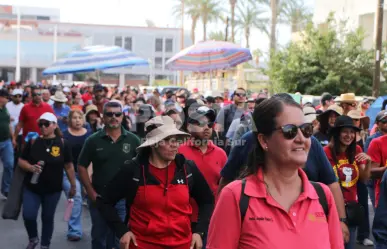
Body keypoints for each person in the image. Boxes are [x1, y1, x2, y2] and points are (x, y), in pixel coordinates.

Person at [207, 96, 344, 249]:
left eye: (306, 130)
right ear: (264, 141)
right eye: (290, 131)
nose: (301, 139)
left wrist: (343, 220)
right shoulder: (235, 196)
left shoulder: (322, 196)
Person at [97, 115, 214, 249]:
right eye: (167, 140)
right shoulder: (133, 170)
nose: (174, 145)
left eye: (176, 140)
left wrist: (199, 232)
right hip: (141, 244)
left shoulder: (187, 168)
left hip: (182, 244)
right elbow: (104, 201)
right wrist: (122, 231)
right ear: (154, 144)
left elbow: (207, 200)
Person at [78, 100, 140, 249]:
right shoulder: (93, 140)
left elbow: (142, 166)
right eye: (109, 114)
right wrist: (91, 192)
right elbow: (81, 166)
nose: (114, 117)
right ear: (103, 117)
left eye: (117, 114)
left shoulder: (133, 140)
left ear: (122, 116)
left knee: (123, 238)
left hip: (124, 200)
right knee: (99, 237)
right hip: (100, 197)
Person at [18, 112, 76, 249]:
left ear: (54, 125)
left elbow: (68, 165)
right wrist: (30, 167)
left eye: (46, 124)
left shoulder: (63, 143)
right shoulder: (33, 141)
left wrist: (73, 185)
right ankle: (33, 238)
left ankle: (45, 244)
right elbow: (21, 160)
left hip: (53, 189)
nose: (43, 127)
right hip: (32, 187)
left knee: (47, 217)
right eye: (40, 124)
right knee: (28, 215)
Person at [178, 106, 227, 247]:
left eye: (209, 124)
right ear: (189, 127)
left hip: (213, 218)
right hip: (183, 218)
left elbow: (223, 185)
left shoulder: (221, 154)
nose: (206, 127)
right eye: (200, 124)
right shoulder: (179, 152)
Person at [323, 115, 371, 249]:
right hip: (331, 208)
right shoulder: (325, 152)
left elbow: (364, 178)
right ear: (337, 134)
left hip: (351, 209)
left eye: (352, 132)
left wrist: (368, 163)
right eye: (345, 131)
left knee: (348, 244)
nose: (349, 135)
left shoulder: (357, 150)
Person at [62, 110, 92, 241]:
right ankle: (74, 230)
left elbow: (92, 157)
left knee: (89, 198)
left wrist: (89, 178)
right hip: (69, 173)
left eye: (80, 117)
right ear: (69, 120)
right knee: (76, 197)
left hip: (86, 170)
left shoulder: (89, 135)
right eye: (74, 118)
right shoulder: (64, 136)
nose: (77, 120)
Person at [0, 89, 15, 198]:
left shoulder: (5, 109)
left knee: (9, 164)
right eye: (6, 97)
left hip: (6, 141)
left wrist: (13, 138)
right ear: (1, 97)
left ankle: (6, 189)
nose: (8, 99)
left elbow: (9, 123)